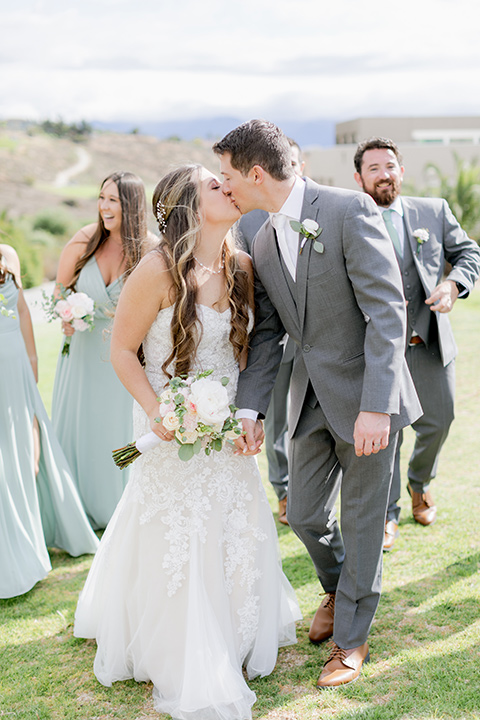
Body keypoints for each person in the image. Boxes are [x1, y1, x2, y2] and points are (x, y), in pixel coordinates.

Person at [73, 164, 301, 720]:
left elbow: (249, 353)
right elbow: (123, 352)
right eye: (212, 184)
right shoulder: (155, 270)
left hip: (225, 429)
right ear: (185, 206)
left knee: (234, 520)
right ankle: (183, 641)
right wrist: (159, 412)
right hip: (166, 424)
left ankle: (237, 628)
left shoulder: (242, 265)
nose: (227, 186)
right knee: (181, 528)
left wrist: (248, 415)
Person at [213, 119, 421, 688]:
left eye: (228, 176)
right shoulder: (259, 236)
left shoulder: (348, 210)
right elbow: (267, 334)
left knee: (360, 521)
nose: (224, 186)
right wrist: (252, 409)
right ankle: (338, 587)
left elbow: (387, 311)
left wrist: (377, 405)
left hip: (368, 401)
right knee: (303, 514)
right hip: (309, 402)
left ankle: (351, 639)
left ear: (256, 173)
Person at [353, 137, 480, 550]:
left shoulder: (434, 210)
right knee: (387, 434)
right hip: (378, 351)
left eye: (389, 165)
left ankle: (420, 485)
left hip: (428, 342)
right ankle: (387, 515)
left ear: (401, 171)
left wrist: (452, 283)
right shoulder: (349, 219)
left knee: (440, 422)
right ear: (359, 178)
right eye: (373, 168)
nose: (384, 173)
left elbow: (469, 254)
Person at [51, 171, 156, 530]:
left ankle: (117, 508)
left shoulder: (151, 250)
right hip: (81, 353)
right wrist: (67, 314)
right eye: (101, 198)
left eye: (113, 200)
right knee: (79, 427)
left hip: (121, 360)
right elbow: (59, 292)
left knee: (114, 428)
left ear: (132, 204)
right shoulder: (84, 240)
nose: (105, 207)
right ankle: (74, 508)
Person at [0, 243, 98, 599]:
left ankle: (31, 534)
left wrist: (32, 361)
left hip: (17, 369)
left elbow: (22, 310)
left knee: (26, 452)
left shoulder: (8, 253)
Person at [236, 139, 305, 525]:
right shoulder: (247, 220)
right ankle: (283, 491)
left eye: (294, 163)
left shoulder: (325, 210)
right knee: (277, 421)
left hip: (318, 343)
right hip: (271, 337)